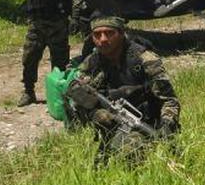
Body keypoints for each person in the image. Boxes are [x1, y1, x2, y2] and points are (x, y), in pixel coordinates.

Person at [67, 15, 180, 161]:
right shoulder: (93, 62)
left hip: (147, 124)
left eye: (109, 33)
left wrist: (166, 125)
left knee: (129, 155)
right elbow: (76, 93)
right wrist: (95, 112)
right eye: (97, 35)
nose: (102, 39)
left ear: (121, 34)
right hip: (113, 125)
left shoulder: (145, 60)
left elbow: (170, 101)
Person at [16, 0, 86, 107]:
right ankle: (29, 91)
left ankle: (60, 94)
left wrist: (76, 18)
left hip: (58, 22)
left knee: (60, 61)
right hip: (37, 23)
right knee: (30, 57)